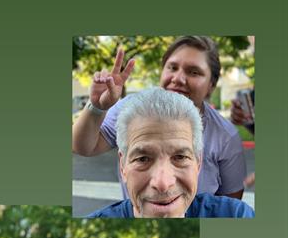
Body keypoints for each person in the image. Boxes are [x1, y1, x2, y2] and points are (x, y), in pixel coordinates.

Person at [73, 38, 246, 201]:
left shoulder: (226, 136)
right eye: (172, 67)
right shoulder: (130, 108)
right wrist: (97, 106)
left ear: (211, 85)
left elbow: (231, 202)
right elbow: (83, 147)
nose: (178, 79)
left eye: (194, 72)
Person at [83, 88, 254, 218]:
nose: (163, 184)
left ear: (198, 163)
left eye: (180, 157)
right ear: (122, 166)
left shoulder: (235, 214)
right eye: (143, 159)